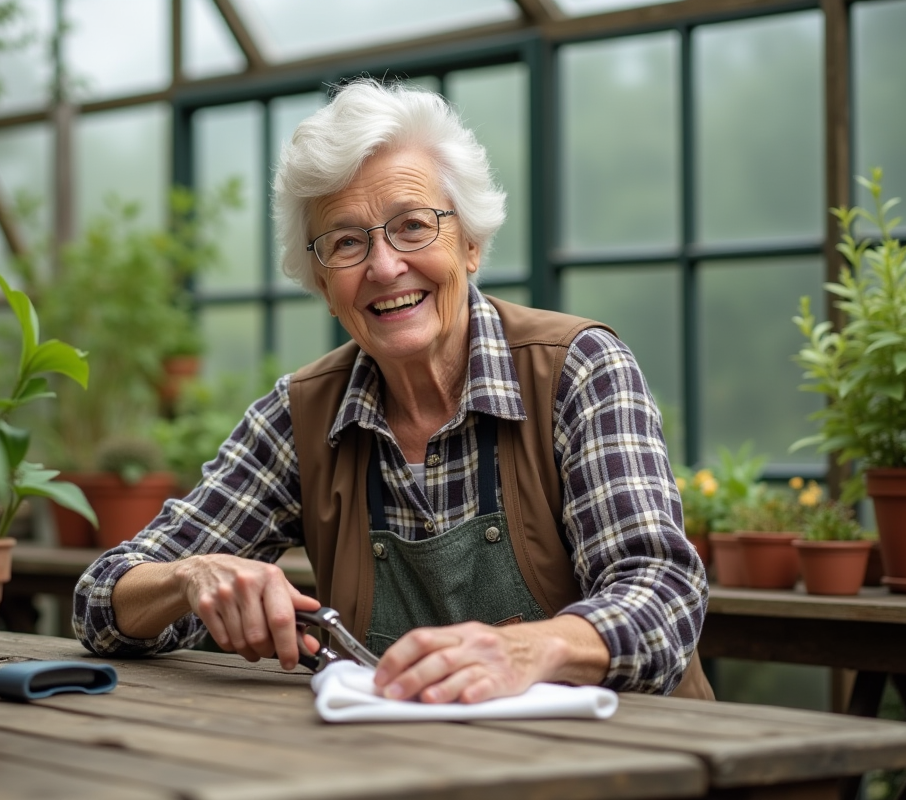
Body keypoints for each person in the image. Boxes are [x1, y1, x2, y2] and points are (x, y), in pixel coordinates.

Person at [73, 78, 712, 704]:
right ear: (323, 285)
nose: (383, 267)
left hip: (632, 759)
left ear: (470, 243)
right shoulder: (299, 420)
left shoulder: (578, 370)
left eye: (412, 226)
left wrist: (528, 651)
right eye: (346, 242)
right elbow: (99, 599)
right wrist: (192, 577)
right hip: (402, 766)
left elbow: (663, 595)